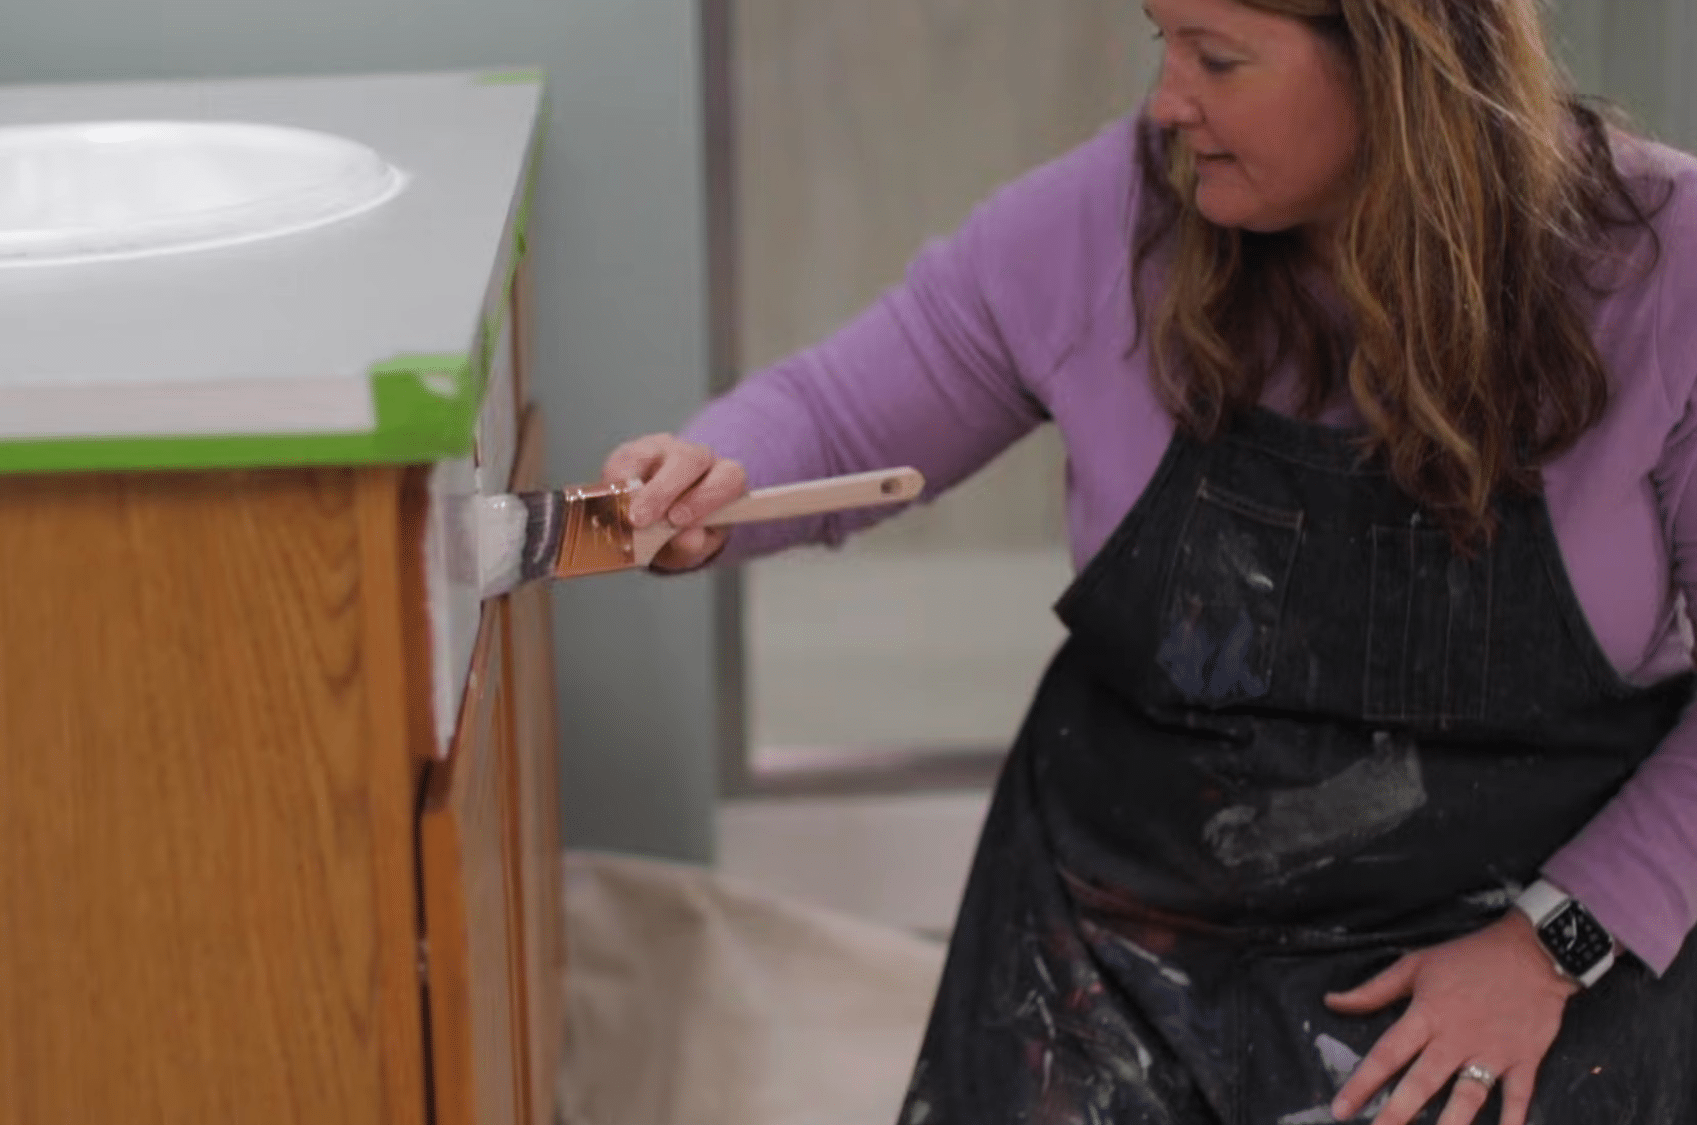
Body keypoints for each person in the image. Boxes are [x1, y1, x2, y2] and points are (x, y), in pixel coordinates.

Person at [600, 0, 1697, 1121]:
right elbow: (836, 416)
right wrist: (706, 482)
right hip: (1114, 946)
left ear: (1400, 64)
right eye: (1159, 39)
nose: (1168, 99)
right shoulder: (1116, 215)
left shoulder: (1663, 264)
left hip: (1524, 941)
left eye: (1217, 58)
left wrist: (1550, 944)